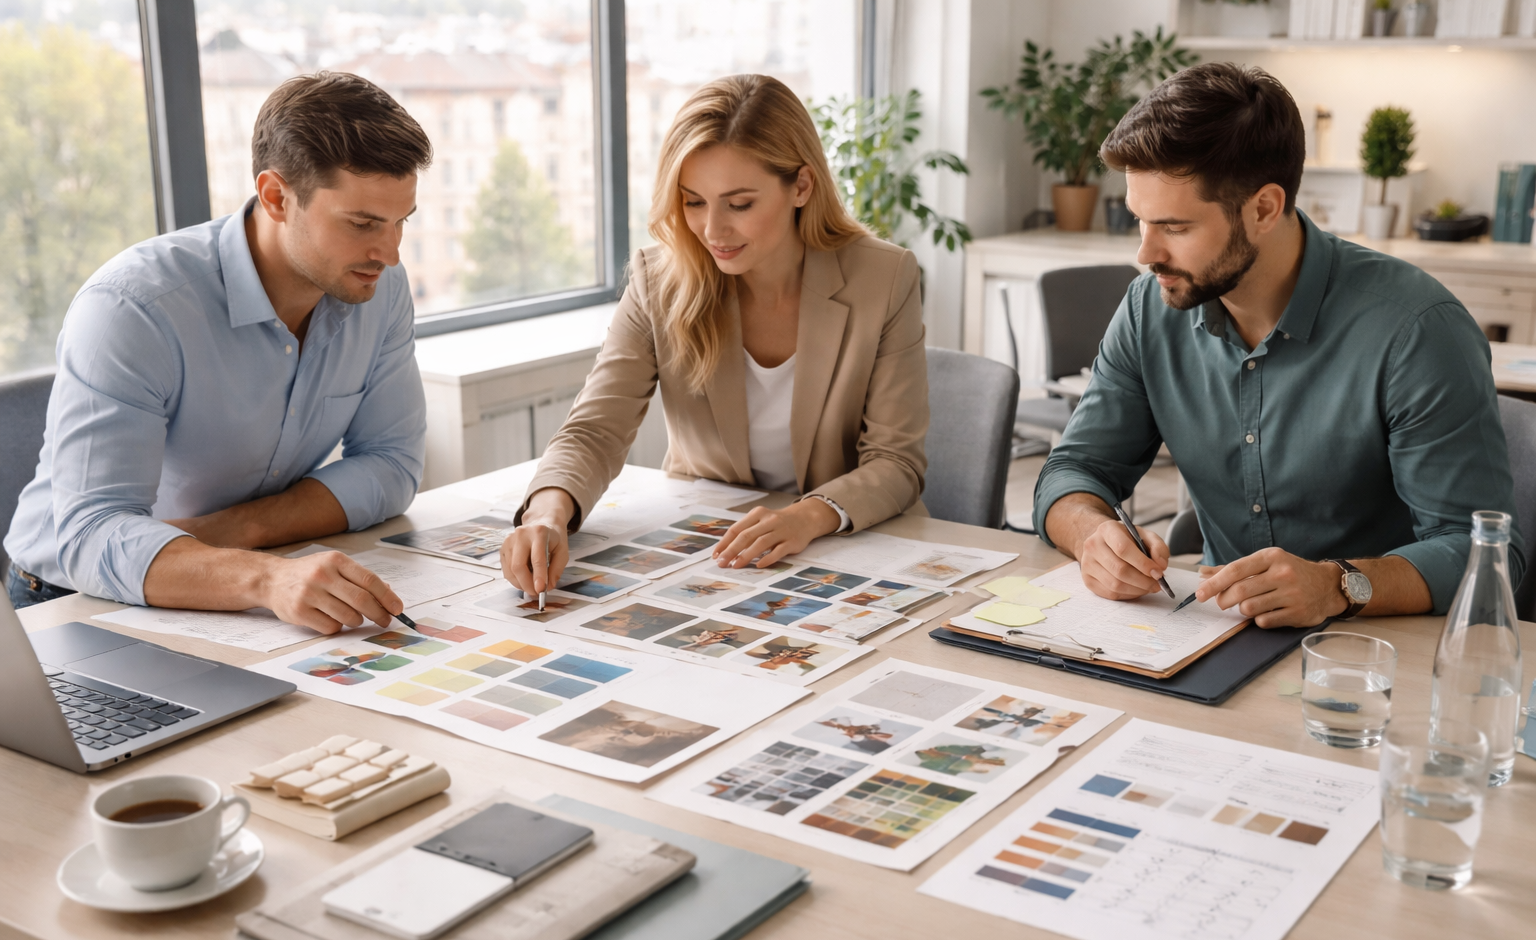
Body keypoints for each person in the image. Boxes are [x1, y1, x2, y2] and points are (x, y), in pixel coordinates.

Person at [1035, 63, 1522, 628]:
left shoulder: (1417, 330)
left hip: (1380, 647)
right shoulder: (1149, 310)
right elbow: (1072, 470)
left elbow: (1485, 554)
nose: (1147, 254)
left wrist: (1338, 585)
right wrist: (1092, 533)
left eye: (1175, 227)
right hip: (1221, 632)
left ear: (1263, 208)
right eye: (1139, 221)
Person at [4, 72, 432, 636]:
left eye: (402, 221)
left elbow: (391, 465)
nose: (391, 254)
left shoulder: (374, 286)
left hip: (251, 565)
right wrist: (264, 580)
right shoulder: (133, 308)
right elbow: (90, 536)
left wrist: (234, 535)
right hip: (71, 595)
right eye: (362, 224)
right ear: (277, 197)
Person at [500, 74, 929, 597]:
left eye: (739, 204)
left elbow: (896, 461)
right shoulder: (658, 280)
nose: (711, 230)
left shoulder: (884, 278)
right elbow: (595, 430)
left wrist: (807, 517)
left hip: (843, 547)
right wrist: (546, 512)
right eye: (694, 201)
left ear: (801, 186)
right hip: (709, 553)